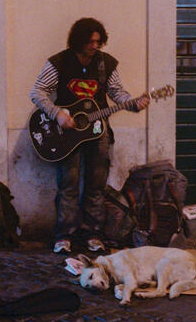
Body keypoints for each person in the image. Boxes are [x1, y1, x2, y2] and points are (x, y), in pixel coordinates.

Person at [30, 18, 150, 254]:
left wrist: (134, 104)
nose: (95, 46)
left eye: (98, 41)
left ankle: (93, 234)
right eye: (90, 42)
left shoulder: (106, 63)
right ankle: (64, 235)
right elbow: (38, 91)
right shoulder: (59, 62)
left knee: (96, 184)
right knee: (69, 184)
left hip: (98, 131)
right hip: (67, 133)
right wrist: (57, 114)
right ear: (78, 41)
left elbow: (117, 92)